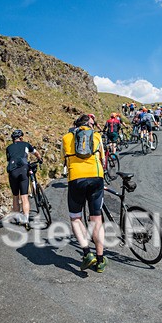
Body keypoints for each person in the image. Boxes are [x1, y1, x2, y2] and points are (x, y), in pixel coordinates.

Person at [62, 115, 107, 273]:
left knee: (75, 218)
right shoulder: (96, 136)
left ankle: (87, 253)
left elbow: (65, 162)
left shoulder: (67, 138)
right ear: (90, 125)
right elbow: (103, 160)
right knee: (96, 219)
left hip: (76, 179)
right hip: (96, 177)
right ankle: (100, 261)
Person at [6, 129, 42, 231]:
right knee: (24, 197)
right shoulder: (26, 144)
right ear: (21, 138)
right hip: (23, 170)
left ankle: (17, 219)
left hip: (13, 172)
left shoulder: (8, 148)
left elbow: (9, 160)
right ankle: (26, 220)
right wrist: (40, 159)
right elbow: (36, 153)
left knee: (15, 196)